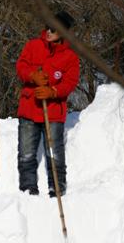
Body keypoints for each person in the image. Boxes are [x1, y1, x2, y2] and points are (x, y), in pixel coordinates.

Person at [15, 11, 80, 197]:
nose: (49, 31)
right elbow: (21, 66)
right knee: (26, 153)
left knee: (55, 154)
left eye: (54, 29)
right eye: (48, 27)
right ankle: (28, 190)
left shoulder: (70, 56)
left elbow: (70, 82)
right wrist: (32, 75)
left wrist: (53, 91)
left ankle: (57, 188)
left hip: (53, 113)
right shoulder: (33, 45)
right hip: (29, 109)